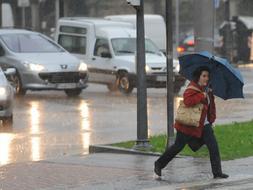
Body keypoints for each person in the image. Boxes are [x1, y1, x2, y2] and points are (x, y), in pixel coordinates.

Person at [154, 66, 229, 179]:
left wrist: (211, 118)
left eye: (208, 76)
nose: (206, 78)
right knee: (177, 147)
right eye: (204, 76)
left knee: (213, 147)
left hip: (204, 125)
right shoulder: (192, 88)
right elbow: (188, 101)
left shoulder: (207, 89)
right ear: (198, 76)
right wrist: (201, 95)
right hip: (187, 125)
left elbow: (210, 107)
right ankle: (159, 164)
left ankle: (217, 172)